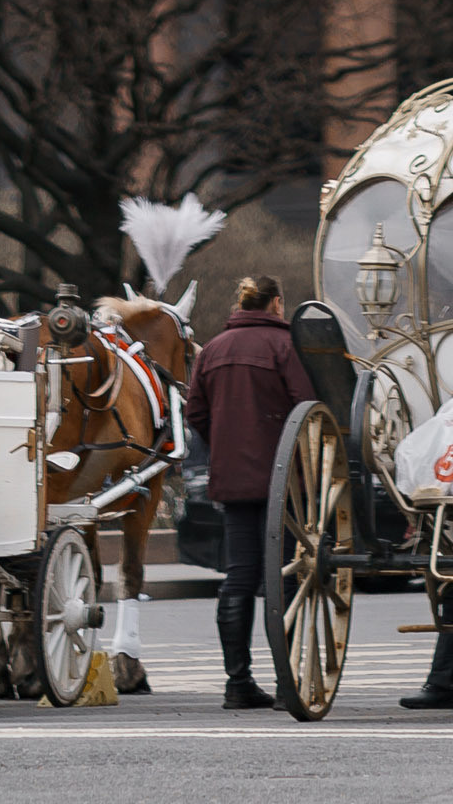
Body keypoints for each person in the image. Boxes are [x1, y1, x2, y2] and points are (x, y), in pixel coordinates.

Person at [184, 273, 316, 710]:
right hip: (285, 482)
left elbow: (195, 413)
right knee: (286, 578)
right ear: (276, 304)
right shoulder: (285, 346)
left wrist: (225, 441)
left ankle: (238, 682)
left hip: (233, 478)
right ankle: (287, 683)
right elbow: (305, 407)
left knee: (238, 575)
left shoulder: (214, 349)